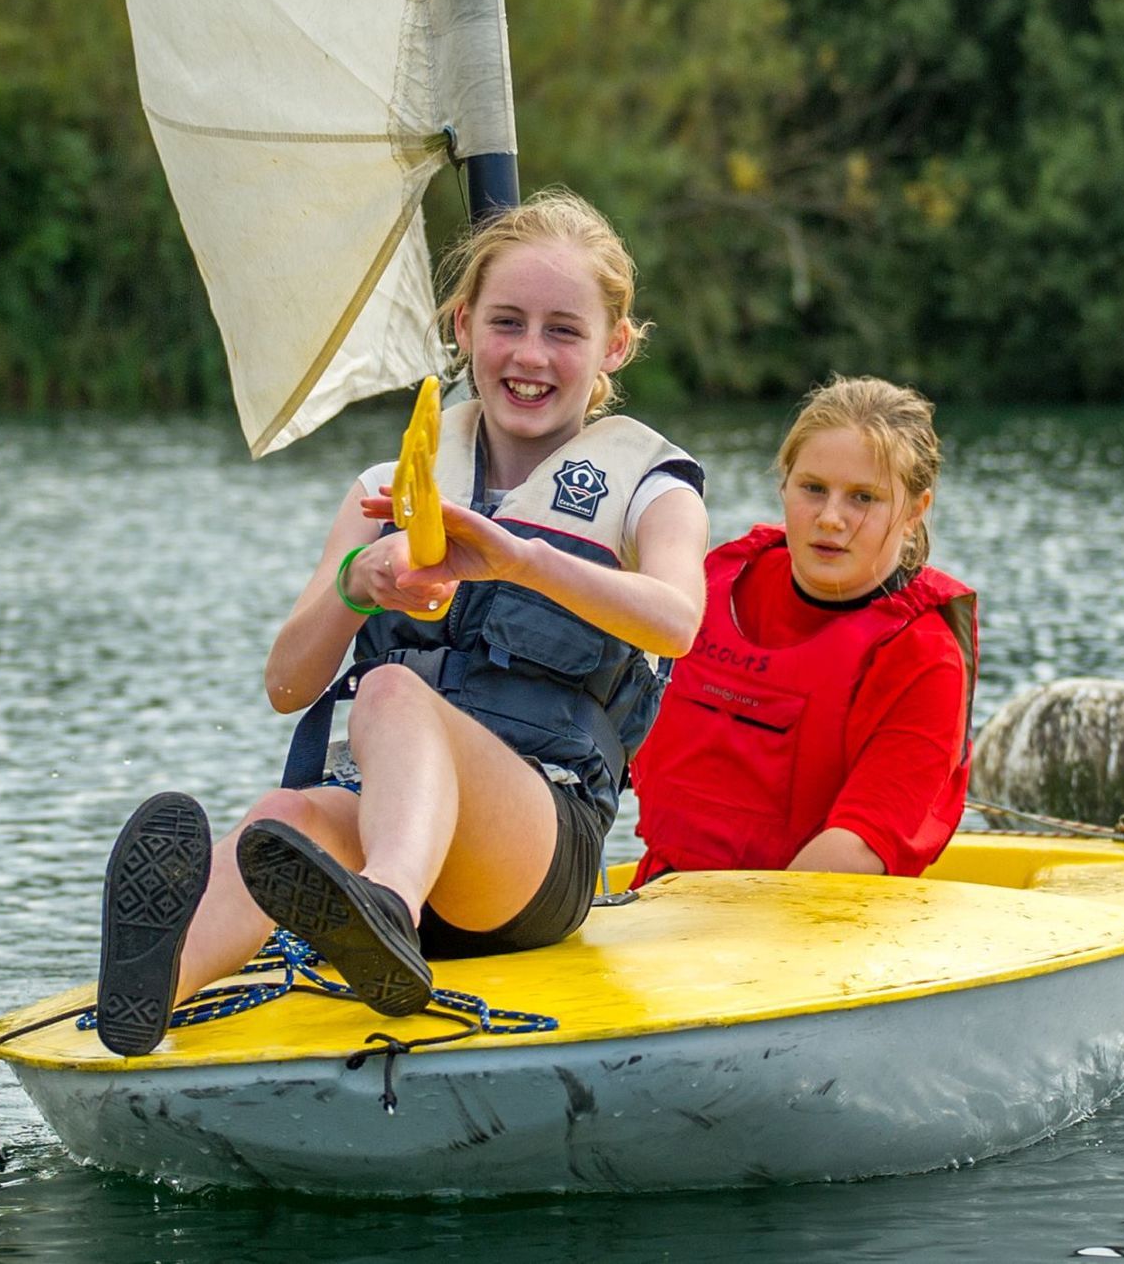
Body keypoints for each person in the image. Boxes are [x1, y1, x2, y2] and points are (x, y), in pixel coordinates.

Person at [93, 190, 709, 1056]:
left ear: (614, 344)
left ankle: (384, 905)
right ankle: (147, 991)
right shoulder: (386, 489)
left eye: (563, 330)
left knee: (390, 691)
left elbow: (678, 622)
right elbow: (286, 684)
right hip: (387, 830)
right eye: (507, 322)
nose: (530, 354)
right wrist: (358, 583)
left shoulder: (653, 488)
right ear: (462, 326)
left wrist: (520, 559)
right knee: (285, 814)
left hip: (534, 847)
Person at [631, 376, 977, 885]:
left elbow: (861, 845)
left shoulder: (924, 655)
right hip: (660, 901)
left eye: (863, 498)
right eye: (813, 488)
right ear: (784, 483)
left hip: (809, 936)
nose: (831, 518)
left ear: (913, 512)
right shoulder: (711, 584)